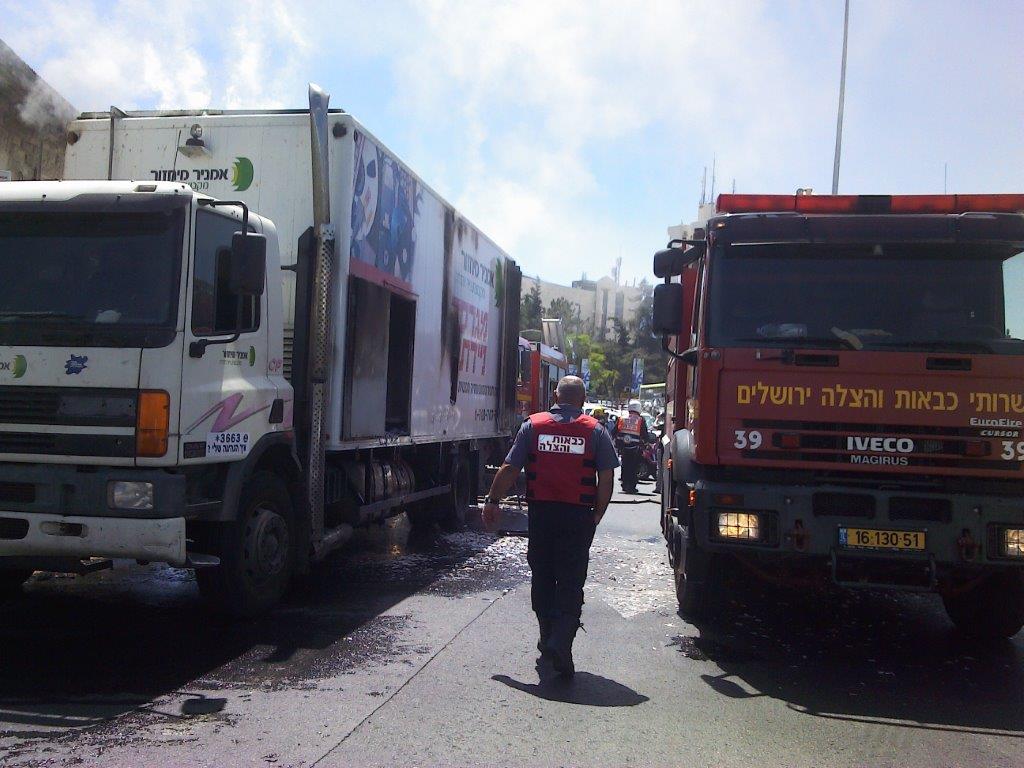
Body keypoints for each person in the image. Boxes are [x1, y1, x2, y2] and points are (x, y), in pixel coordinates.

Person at [482, 376, 618, 678]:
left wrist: (492, 501)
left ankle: (547, 637)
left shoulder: (533, 426)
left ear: (555, 396)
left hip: (542, 514)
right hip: (578, 516)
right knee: (571, 578)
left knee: (542, 573)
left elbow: (509, 469)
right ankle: (561, 641)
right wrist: (597, 514)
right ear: (582, 399)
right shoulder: (595, 431)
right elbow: (606, 479)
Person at [615, 399, 650, 494]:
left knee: (624, 465)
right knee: (634, 467)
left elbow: (614, 432)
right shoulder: (640, 420)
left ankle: (624, 484)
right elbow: (645, 434)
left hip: (623, 448)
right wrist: (646, 443)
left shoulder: (621, 418)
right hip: (635, 448)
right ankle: (631, 486)